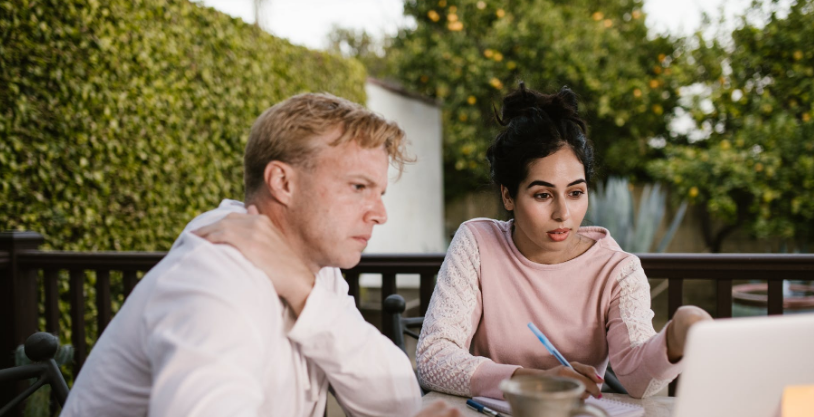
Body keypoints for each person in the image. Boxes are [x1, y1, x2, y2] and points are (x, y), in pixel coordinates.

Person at [62, 93, 458, 417]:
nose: (380, 214)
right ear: (282, 182)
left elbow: (398, 402)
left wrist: (305, 291)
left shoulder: (314, 272)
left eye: (380, 193)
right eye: (358, 187)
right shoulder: (215, 277)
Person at [415, 83, 712, 401]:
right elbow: (433, 359)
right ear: (508, 195)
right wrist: (534, 381)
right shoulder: (477, 243)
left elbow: (639, 381)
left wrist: (675, 338)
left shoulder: (618, 270)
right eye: (542, 195)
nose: (563, 213)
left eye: (575, 193)